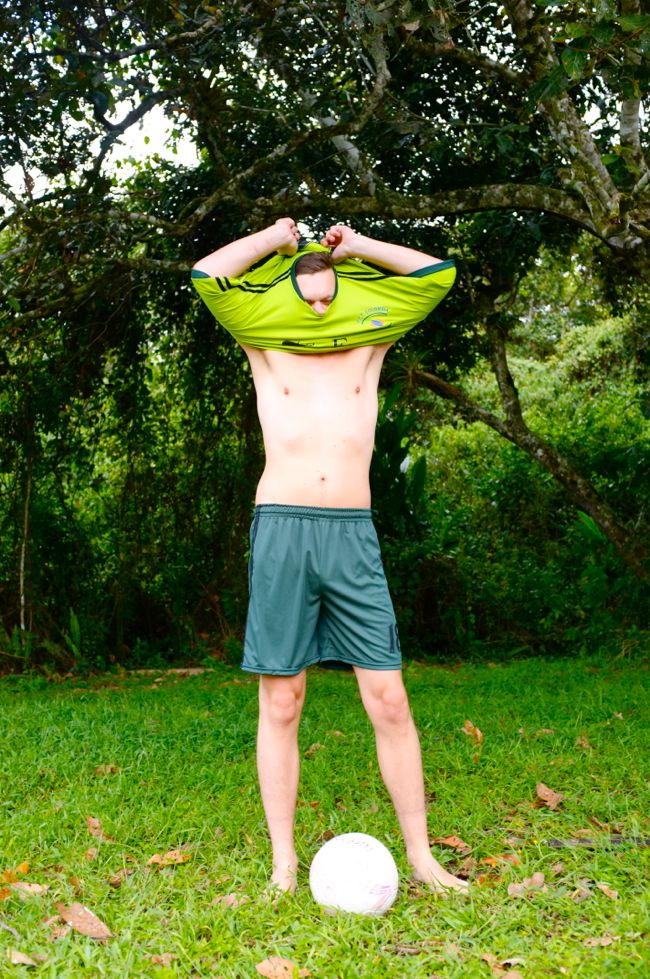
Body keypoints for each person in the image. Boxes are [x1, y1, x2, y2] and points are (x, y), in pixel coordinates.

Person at [191, 218, 468, 895]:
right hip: (282, 527)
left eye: (327, 295)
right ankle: (284, 865)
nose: (317, 310)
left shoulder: (370, 343)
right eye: (306, 296)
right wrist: (277, 238)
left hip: (351, 531)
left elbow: (437, 275)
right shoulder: (262, 340)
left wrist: (357, 247)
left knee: (390, 697)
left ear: (343, 288)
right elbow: (207, 274)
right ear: (288, 290)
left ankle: (423, 857)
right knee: (282, 699)